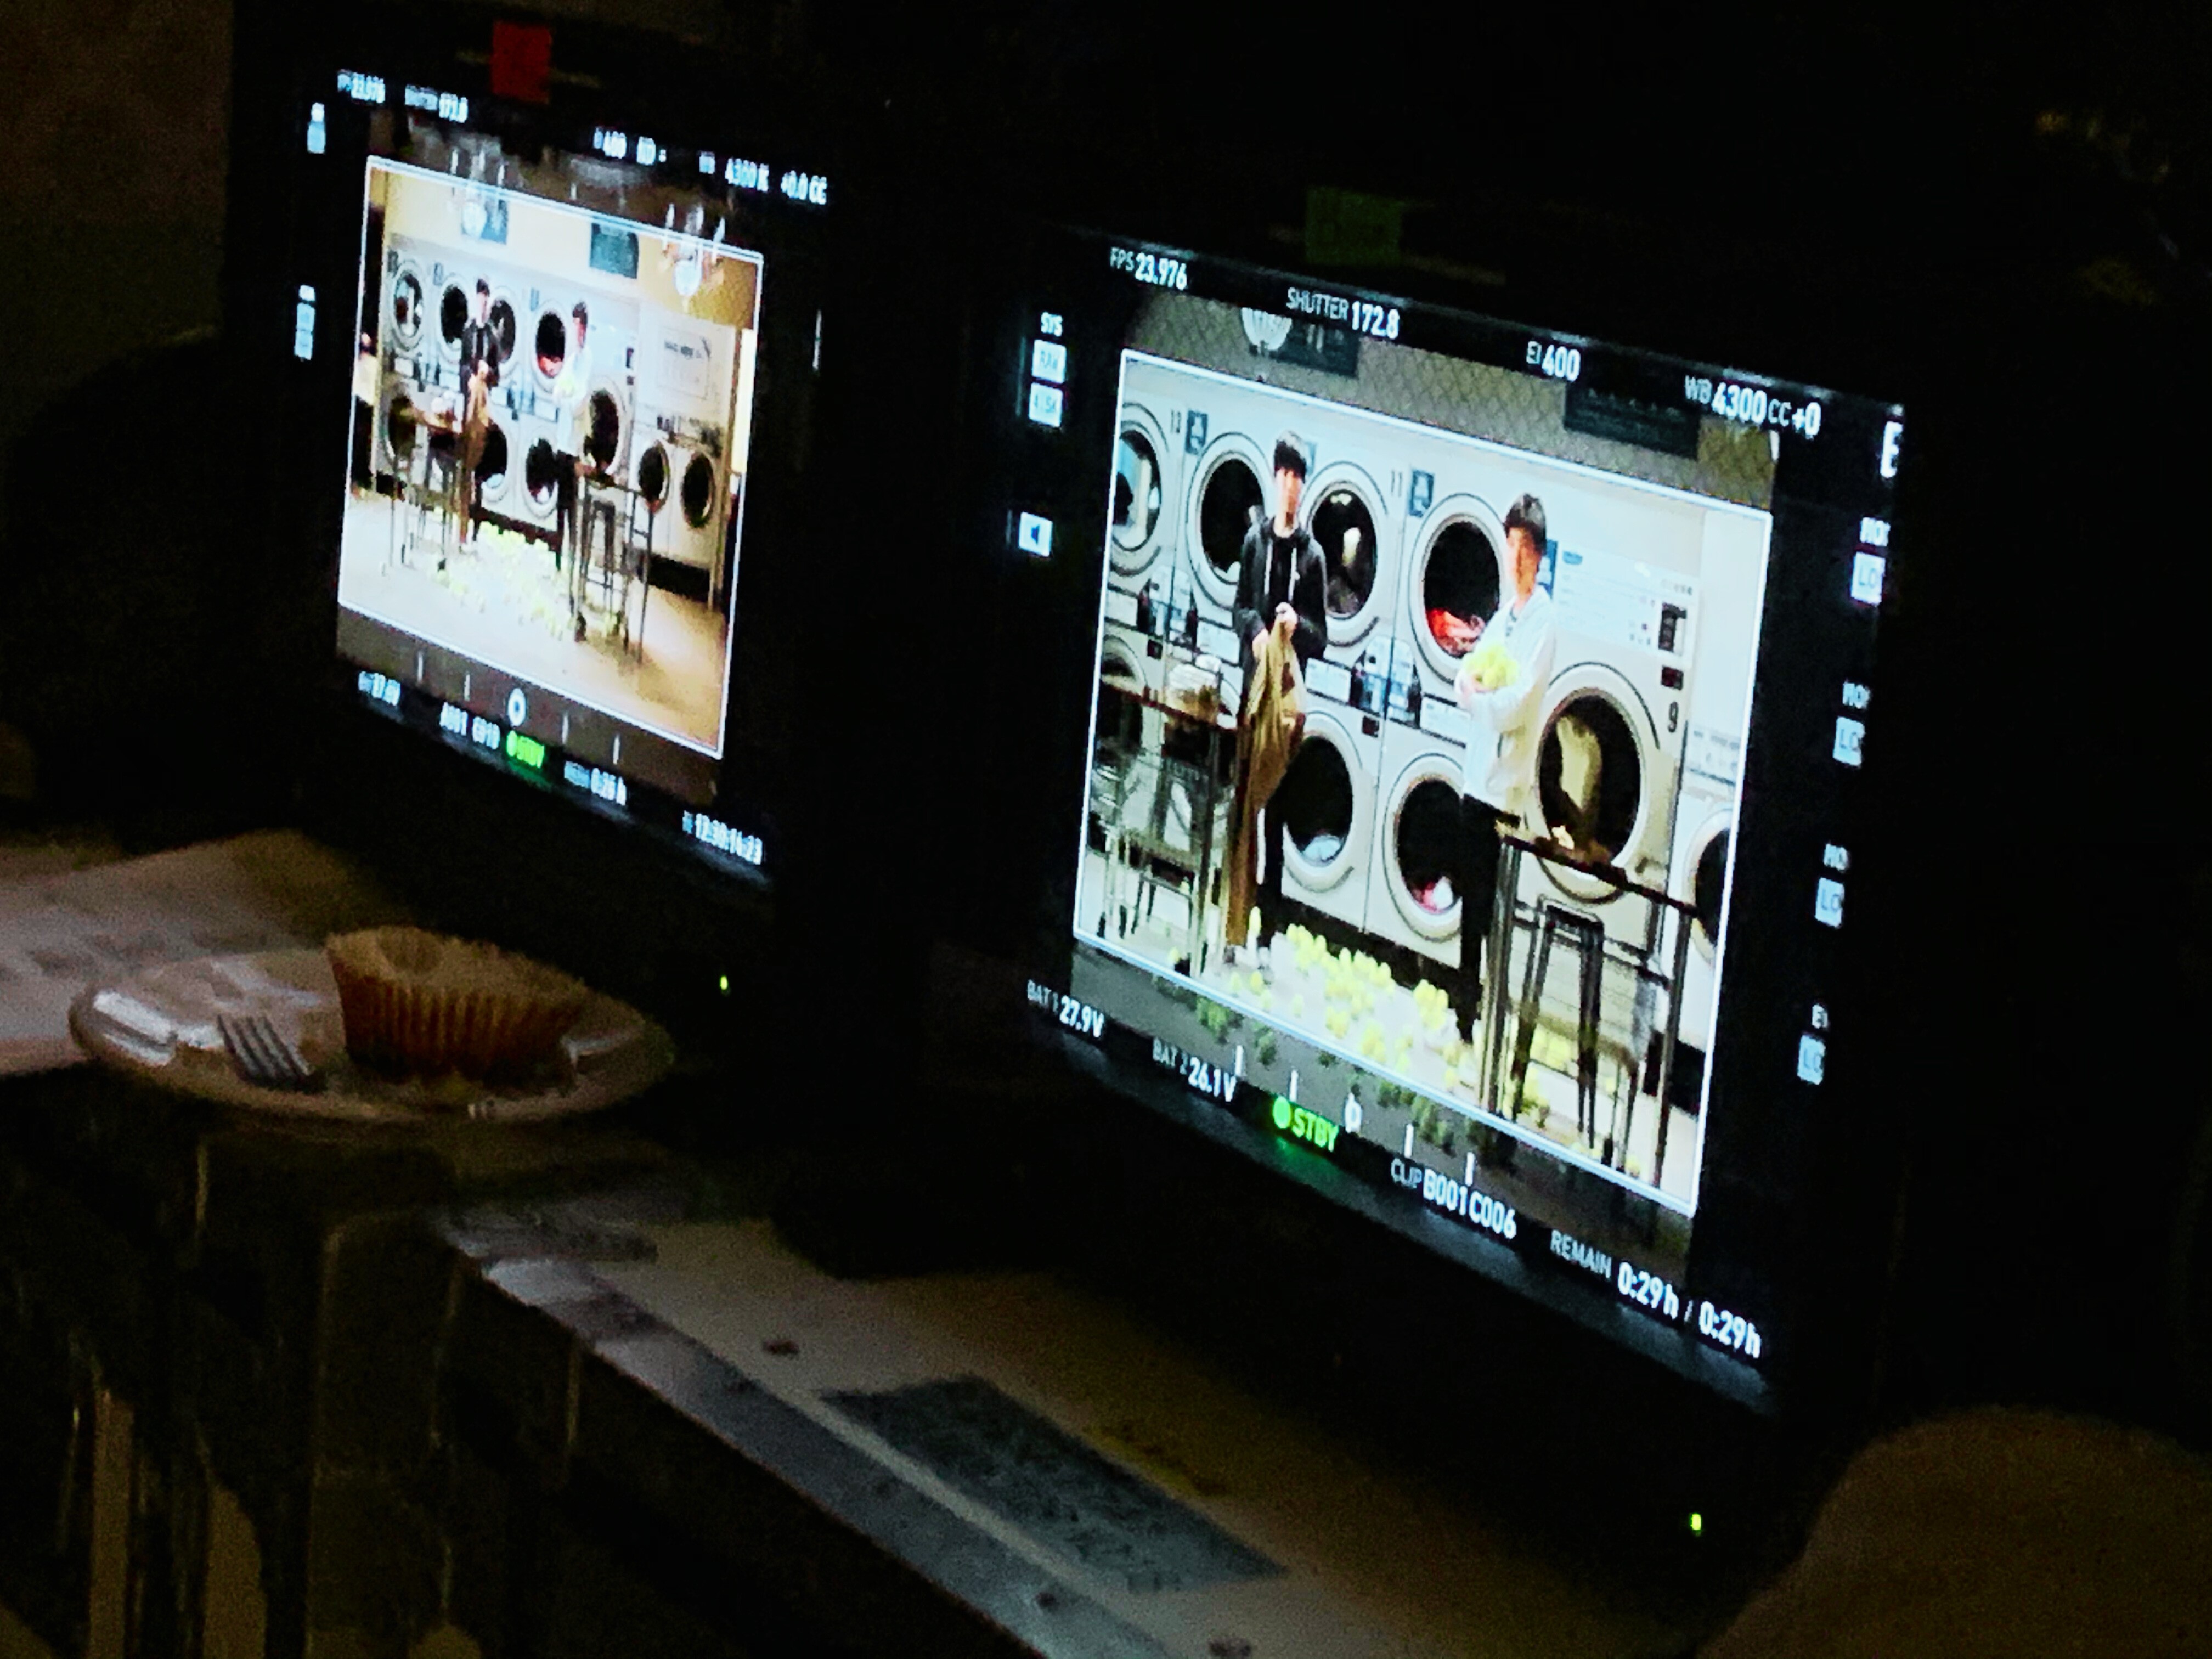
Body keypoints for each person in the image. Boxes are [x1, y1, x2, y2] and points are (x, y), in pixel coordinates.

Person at [1451, 494, 1557, 1040]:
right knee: (1471, 910)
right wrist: (1473, 689)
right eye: (1510, 544)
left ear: (1539, 555)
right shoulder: (1505, 616)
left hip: (1504, 794)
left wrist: (1478, 698)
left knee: (1492, 916)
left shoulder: (1544, 621)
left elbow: (1517, 703)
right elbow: (1468, 672)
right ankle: (1465, 1020)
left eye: (1524, 548)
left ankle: (1492, 1024)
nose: (1514, 557)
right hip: (1477, 781)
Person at [1227, 432, 1327, 964]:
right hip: (1253, 693)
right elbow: (1239, 606)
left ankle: (1267, 936)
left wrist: (1296, 625)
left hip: (1287, 710)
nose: (1289, 486)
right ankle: (1234, 928)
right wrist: (1255, 630)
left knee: (1276, 817)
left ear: (1304, 486)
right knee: (1244, 814)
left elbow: (1322, 638)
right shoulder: (1255, 542)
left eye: (1297, 477)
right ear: (1274, 479)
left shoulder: (1313, 556)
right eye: (1283, 475)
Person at [550, 300, 594, 633]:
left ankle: (574, 563)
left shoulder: (588, 358)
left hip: (576, 445)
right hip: (562, 441)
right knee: (561, 505)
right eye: (573, 324)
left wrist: (566, 397)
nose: (575, 330)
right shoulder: (571, 356)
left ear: (585, 327)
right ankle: (559, 560)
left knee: (573, 506)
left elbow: (580, 401)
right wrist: (565, 396)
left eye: (578, 325)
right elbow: (558, 392)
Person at [454, 280, 500, 549]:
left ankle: (474, 528)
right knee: (464, 467)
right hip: (466, 406)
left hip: (482, 411)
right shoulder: (468, 332)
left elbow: (498, 377)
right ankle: (461, 526)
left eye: (485, 301)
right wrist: (469, 377)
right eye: (479, 300)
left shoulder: (492, 336)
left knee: (479, 470)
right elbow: (461, 365)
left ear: (488, 303)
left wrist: (488, 373)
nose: (481, 305)